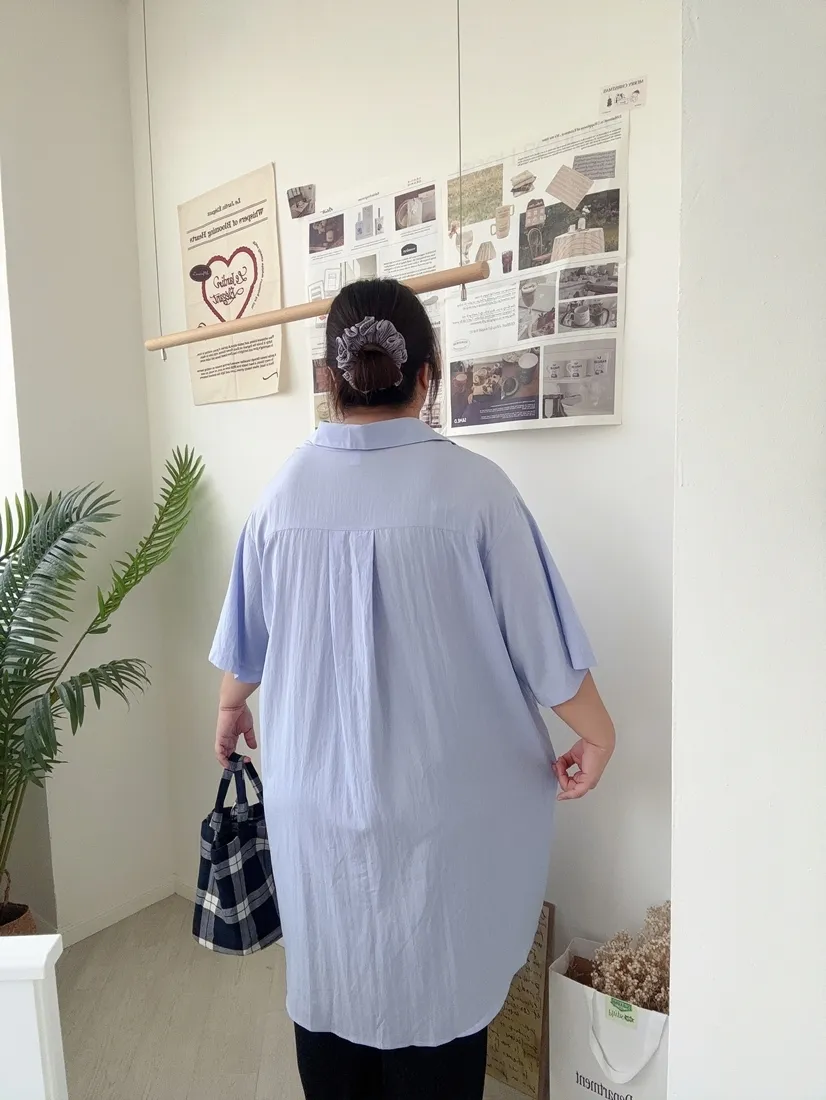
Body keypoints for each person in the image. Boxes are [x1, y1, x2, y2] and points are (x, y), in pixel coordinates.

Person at [211, 278, 615, 1100]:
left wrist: (229, 708)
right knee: (439, 1007)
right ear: (427, 375)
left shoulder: (279, 499)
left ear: (329, 379)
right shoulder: (479, 494)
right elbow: (549, 657)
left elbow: (244, 650)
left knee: (332, 996)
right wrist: (600, 735)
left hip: (317, 809)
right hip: (444, 818)